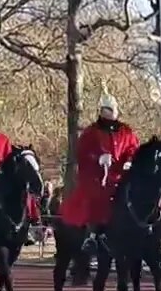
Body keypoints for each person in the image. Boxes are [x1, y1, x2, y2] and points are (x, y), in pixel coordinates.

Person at [59, 87, 141, 251]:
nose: (108, 113)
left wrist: (130, 160)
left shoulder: (126, 131)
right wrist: (97, 159)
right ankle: (92, 235)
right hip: (99, 178)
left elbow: (133, 147)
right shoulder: (91, 132)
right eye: (105, 110)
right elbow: (82, 153)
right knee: (97, 199)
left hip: (122, 175)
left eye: (110, 110)